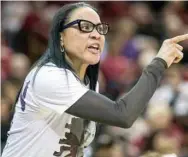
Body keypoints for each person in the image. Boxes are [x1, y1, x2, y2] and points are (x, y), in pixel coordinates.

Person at [2, 2, 188, 157]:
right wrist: (159, 63)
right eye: (84, 27)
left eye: (100, 28)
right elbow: (122, 115)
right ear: (61, 38)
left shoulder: (87, 84)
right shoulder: (50, 77)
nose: (96, 34)